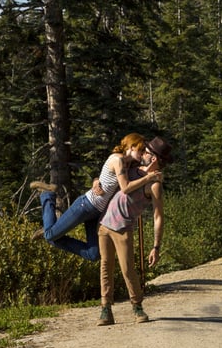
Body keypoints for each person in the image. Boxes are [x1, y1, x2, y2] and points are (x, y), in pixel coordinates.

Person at [30, 133, 161, 261]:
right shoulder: (118, 159)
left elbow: (109, 176)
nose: (143, 153)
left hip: (96, 213)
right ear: (132, 147)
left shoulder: (128, 164)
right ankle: (47, 196)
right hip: (86, 205)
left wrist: (96, 179)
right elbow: (126, 188)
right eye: (141, 149)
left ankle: (50, 230)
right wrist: (149, 178)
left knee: (94, 255)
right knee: (50, 236)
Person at [96, 136, 172, 326]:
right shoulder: (132, 169)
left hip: (122, 228)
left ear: (153, 159)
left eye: (147, 152)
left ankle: (137, 306)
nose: (143, 154)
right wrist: (96, 180)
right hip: (104, 224)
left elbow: (158, 216)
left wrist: (156, 246)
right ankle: (106, 309)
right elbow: (113, 174)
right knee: (105, 266)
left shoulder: (154, 185)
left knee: (127, 268)